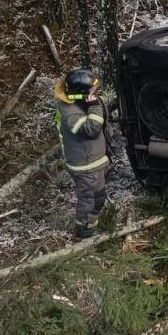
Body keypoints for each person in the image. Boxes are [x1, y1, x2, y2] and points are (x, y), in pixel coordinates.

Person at [54, 68, 109, 238]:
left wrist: (93, 104)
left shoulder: (77, 103)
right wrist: (94, 107)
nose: (97, 94)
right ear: (81, 94)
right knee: (88, 201)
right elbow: (92, 129)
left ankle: (93, 223)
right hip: (85, 167)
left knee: (98, 196)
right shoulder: (70, 113)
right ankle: (84, 231)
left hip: (92, 163)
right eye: (93, 92)